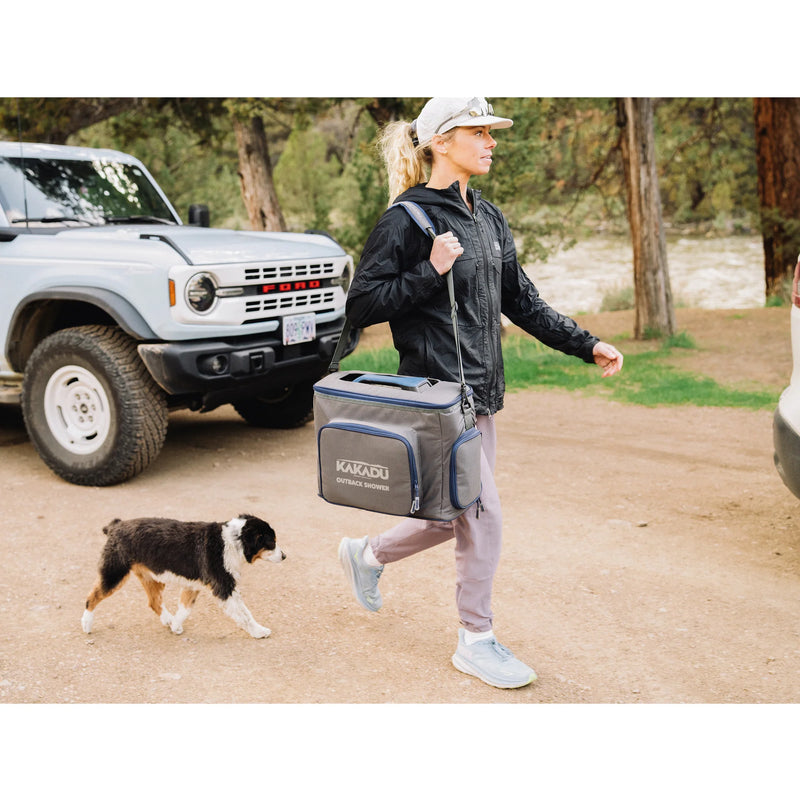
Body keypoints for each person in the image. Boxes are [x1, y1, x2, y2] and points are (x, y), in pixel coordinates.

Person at [337, 97, 623, 690]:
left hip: (480, 397)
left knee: (450, 518)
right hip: (437, 399)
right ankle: (476, 639)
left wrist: (585, 343)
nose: (492, 142)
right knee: (483, 515)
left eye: (493, 133)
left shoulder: (487, 218)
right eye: (479, 132)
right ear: (442, 141)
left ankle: (365, 555)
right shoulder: (406, 220)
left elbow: (520, 300)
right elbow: (361, 305)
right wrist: (429, 271)